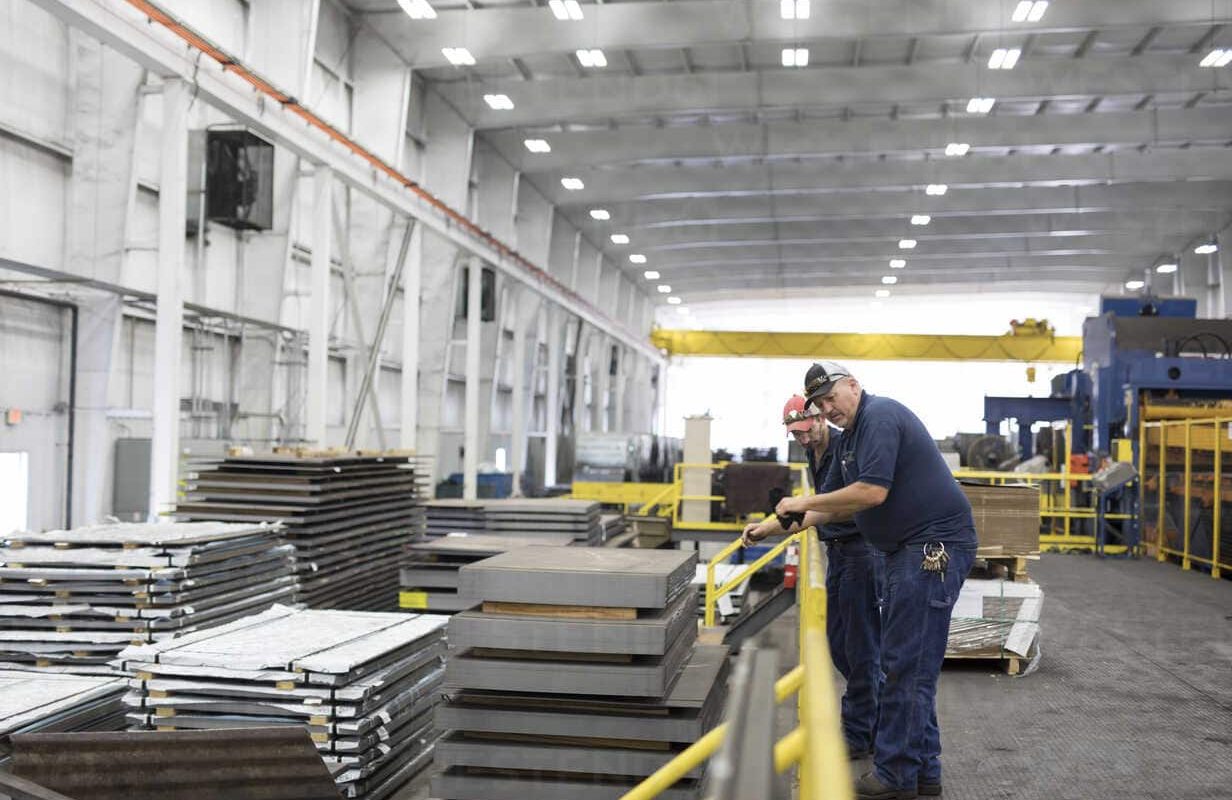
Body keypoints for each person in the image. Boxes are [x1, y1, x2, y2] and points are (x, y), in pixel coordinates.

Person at [772, 362, 977, 800]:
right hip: (905, 551)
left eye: (831, 398)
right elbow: (838, 506)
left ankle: (896, 775)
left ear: (853, 385)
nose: (828, 409)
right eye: (820, 404)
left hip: (930, 548)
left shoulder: (879, 417)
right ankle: (923, 772)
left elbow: (871, 493)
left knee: (905, 666)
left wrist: (802, 500)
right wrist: (775, 524)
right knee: (909, 664)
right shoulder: (852, 440)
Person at [743, 395, 883, 761]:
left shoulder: (843, 449)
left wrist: (790, 515)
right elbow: (814, 509)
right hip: (838, 553)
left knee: (861, 649)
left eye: (806, 430)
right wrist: (766, 528)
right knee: (839, 644)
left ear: (821, 418)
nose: (803, 438)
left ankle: (860, 733)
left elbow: (834, 508)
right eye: (796, 434)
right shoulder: (813, 452)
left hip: (861, 553)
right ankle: (876, 717)